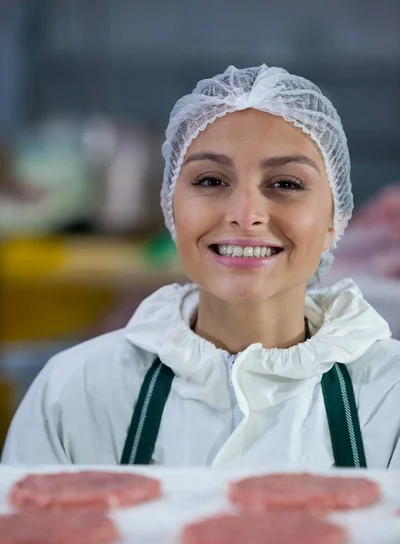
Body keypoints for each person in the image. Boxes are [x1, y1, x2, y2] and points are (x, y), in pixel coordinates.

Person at [2, 65, 400, 469]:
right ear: (171, 207)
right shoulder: (73, 390)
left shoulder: (391, 394)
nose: (245, 215)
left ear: (335, 218)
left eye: (287, 183)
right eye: (210, 181)